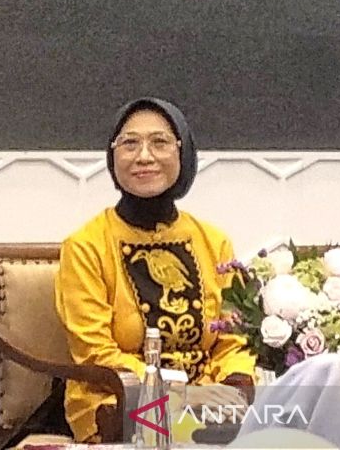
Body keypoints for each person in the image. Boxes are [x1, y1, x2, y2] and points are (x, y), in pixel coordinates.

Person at [54, 96, 255, 442]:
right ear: (112, 157)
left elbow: (233, 339)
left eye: (159, 142)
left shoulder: (214, 242)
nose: (144, 156)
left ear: (183, 152)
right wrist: (181, 394)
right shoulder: (86, 246)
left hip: (210, 402)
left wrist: (235, 386)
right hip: (117, 403)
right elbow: (94, 352)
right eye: (130, 143)